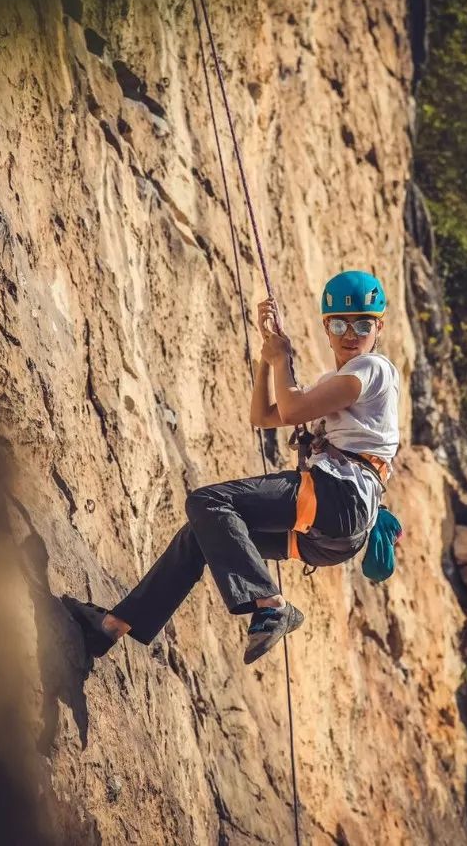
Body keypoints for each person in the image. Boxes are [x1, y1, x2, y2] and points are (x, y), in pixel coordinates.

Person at [64, 270, 401, 665]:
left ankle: (271, 605)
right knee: (201, 533)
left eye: (362, 324)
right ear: (327, 328)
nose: (350, 334)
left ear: (378, 327)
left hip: (339, 497)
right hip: (334, 532)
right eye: (340, 324)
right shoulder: (339, 379)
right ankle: (112, 627)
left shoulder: (373, 369)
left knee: (209, 503)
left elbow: (291, 409)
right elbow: (264, 416)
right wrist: (267, 360)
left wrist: (283, 360)